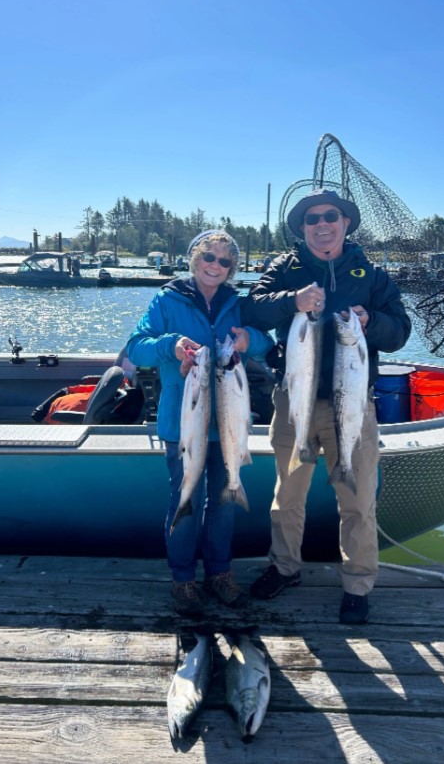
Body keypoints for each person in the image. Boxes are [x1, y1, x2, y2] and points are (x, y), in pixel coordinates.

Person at [243, 187, 411, 625]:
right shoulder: (284, 268)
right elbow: (251, 310)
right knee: (287, 497)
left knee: (357, 500)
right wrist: (290, 301)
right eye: (312, 218)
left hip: (353, 405)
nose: (322, 224)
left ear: (345, 222)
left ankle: (357, 583)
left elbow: (400, 332)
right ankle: (284, 568)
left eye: (330, 216)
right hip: (295, 401)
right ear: (302, 228)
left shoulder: (371, 274)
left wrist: (371, 321)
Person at [126, 230, 273, 617]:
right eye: (209, 256)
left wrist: (247, 340)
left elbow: (266, 342)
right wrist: (170, 346)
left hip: (227, 426)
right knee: (185, 500)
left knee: (223, 506)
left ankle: (220, 574)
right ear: (194, 258)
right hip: (183, 424)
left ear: (233, 268)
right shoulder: (167, 299)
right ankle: (183, 580)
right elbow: (137, 346)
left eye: (225, 261)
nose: (216, 266)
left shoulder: (238, 302)